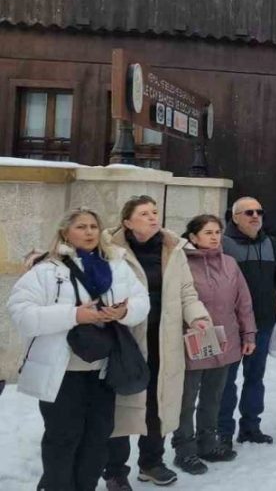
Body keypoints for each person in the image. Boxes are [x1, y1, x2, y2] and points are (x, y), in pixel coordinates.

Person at [9, 208, 150, 491]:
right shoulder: (46, 270)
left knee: (97, 439)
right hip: (61, 371)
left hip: (103, 370)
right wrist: (74, 315)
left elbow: (141, 300)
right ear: (65, 232)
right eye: (81, 227)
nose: (89, 232)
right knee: (63, 438)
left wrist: (123, 312)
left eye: (94, 227)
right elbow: (21, 314)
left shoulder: (116, 265)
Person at [103, 196, 211, 491]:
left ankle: (151, 463)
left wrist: (197, 317)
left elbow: (186, 291)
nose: (153, 217)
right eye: (144, 213)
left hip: (163, 338)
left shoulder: (172, 248)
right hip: (125, 338)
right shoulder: (109, 249)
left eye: (154, 212)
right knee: (122, 403)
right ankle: (115, 471)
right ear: (127, 222)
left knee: (158, 401)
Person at [173, 215, 256, 476]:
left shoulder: (230, 263)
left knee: (213, 396)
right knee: (186, 399)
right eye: (208, 232)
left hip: (225, 339)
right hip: (192, 340)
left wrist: (248, 334)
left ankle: (207, 443)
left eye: (217, 232)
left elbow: (243, 301)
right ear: (193, 236)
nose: (214, 237)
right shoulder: (180, 263)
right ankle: (184, 449)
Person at [218, 196, 276, 446]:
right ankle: (222, 432)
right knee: (225, 382)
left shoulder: (271, 244)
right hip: (231, 325)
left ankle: (250, 427)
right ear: (235, 217)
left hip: (263, 322)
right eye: (249, 213)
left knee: (255, 377)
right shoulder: (223, 244)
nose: (255, 216)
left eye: (259, 212)